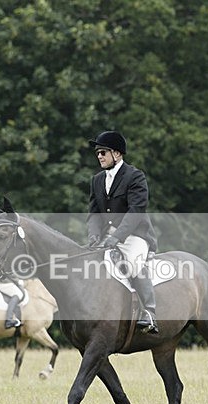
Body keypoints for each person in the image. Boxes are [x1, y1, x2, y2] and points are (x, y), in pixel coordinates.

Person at [87, 130, 159, 334]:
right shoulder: (97, 180)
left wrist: (117, 237)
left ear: (117, 154)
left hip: (134, 236)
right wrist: (94, 236)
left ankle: (150, 313)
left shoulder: (135, 176)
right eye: (97, 152)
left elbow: (135, 212)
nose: (99, 156)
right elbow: (93, 214)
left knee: (133, 263)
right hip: (106, 237)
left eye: (103, 152)